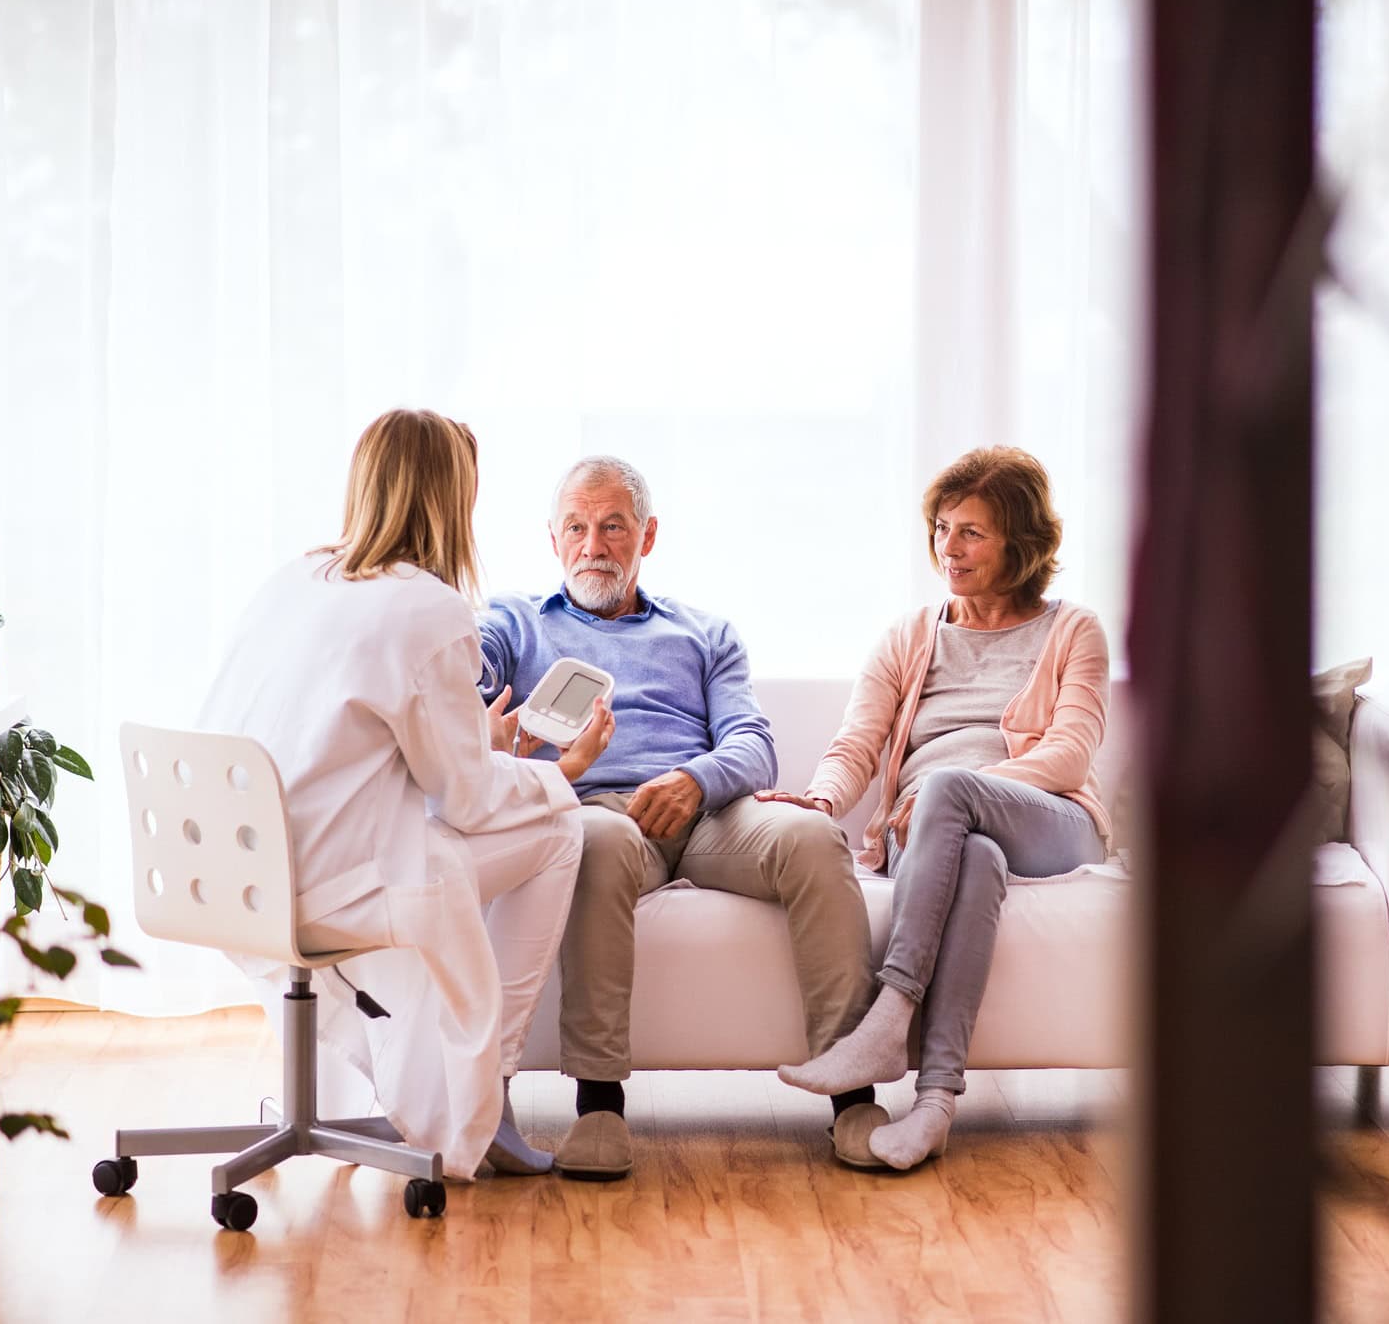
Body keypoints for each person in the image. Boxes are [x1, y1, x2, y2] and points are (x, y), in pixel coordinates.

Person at [199, 409, 614, 1181]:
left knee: (480, 833)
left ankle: (426, 1082)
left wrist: (474, 744)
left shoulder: (297, 578)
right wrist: (563, 770)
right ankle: (488, 1083)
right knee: (560, 826)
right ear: (448, 498)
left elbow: (341, 743)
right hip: (327, 886)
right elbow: (467, 802)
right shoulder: (428, 608)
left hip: (223, 874)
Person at [477, 455, 877, 1179]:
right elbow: (460, 681)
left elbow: (753, 743)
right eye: (576, 526)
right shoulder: (514, 622)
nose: (593, 544)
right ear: (553, 538)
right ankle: (599, 1104)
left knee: (815, 838)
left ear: (647, 536)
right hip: (599, 807)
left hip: (709, 811)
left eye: (613, 526)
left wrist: (696, 779)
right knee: (592, 838)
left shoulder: (703, 633)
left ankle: (853, 1092)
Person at [765, 446, 1112, 1169]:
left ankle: (888, 1018)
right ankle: (935, 1103)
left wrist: (957, 786)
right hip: (935, 834)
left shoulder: (1073, 631)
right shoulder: (908, 637)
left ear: (1021, 544)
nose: (947, 549)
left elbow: (1070, 753)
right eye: (942, 528)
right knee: (973, 852)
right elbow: (857, 742)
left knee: (952, 788)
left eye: (971, 533)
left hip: (1050, 819)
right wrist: (821, 798)